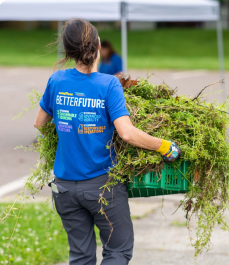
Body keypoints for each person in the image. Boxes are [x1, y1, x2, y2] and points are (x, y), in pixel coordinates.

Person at [33, 18, 181, 265]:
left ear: (68, 51)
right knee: (117, 252)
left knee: (80, 256)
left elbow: (40, 124)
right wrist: (164, 146)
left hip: (65, 188)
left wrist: (69, 133)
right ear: (98, 45)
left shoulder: (56, 81)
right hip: (102, 187)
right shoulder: (109, 84)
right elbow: (127, 133)